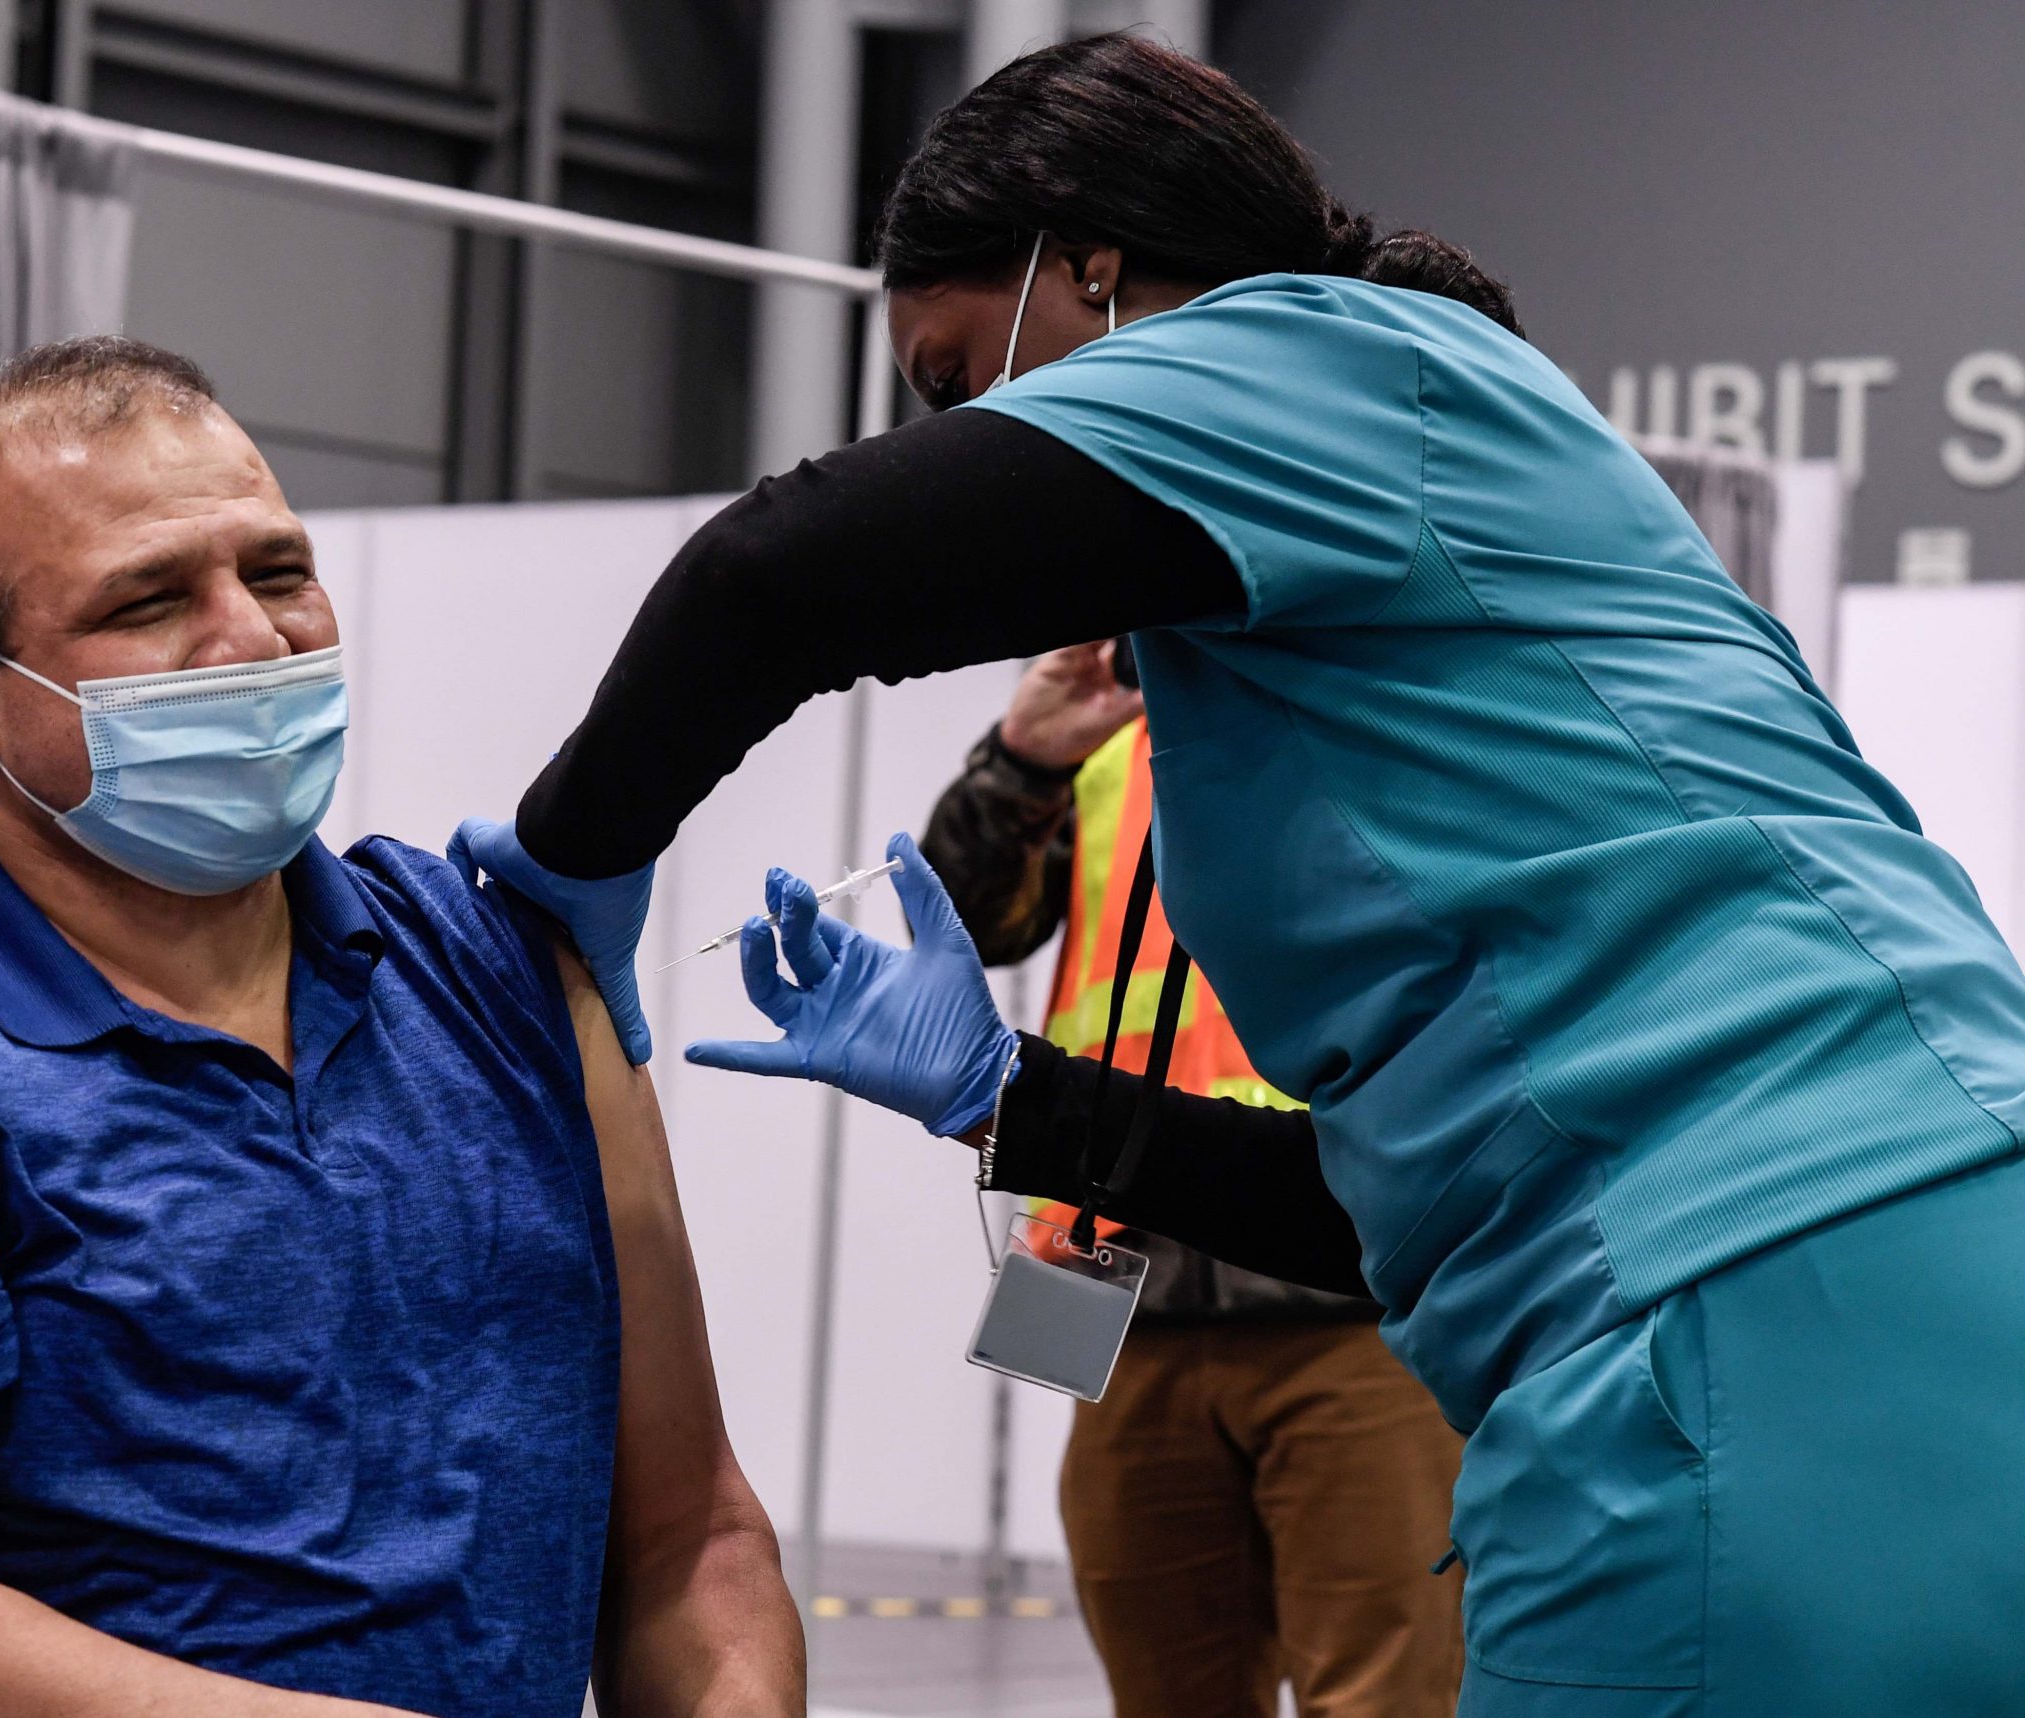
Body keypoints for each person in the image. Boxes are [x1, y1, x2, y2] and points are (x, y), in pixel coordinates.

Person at [454, 33, 2025, 1717]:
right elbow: (1396, 1205)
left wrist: (565, 870)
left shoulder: (1311, 358)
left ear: (1097, 267)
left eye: (959, 373)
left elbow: (771, 574)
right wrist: (1009, 1093)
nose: (964, 437)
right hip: (1857, 1272)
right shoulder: (1366, 543)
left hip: (1747, 1302)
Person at [0, 338, 802, 1718]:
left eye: (279, 571)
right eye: (150, 598)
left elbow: (692, 1541)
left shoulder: (505, 975)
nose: (251, 636)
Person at [922, 642, 1459, 1717]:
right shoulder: (1115, 724)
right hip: (1129, 1290)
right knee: (1167, 1692)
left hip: (1351, 1297)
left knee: (1386, 1694)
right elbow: (965, 918)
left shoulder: (1398, 691)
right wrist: (1024, 758)